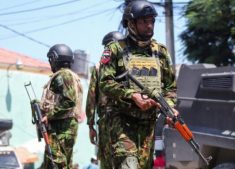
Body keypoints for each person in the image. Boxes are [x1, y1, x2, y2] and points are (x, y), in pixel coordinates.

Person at [98, 1, 177, 168]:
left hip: (148, 125)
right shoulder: (115, 49)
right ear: (131, 24)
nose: (149, 26)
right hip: (122, 122)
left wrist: (169, 108)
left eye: (152, 21)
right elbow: (105, 82)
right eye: (144, 22)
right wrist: (131, 95)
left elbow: (171, 88)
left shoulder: (160, 52)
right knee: (129, 164)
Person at [38, 44, 83, 169]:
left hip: (62, 128)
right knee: (58, 163)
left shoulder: (63, 75)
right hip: (65, 127)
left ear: (55, 58)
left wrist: (48, 116)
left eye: (51, 59)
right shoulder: (71, 76)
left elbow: (69, 101)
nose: (50, 63)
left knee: (55, 163)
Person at [86, 31, 124, 169]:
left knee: (108, 161)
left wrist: (91, 126)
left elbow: (91, 98)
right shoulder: (131, 66)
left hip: (107, 120)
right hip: (129, 121)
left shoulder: (99, 67)